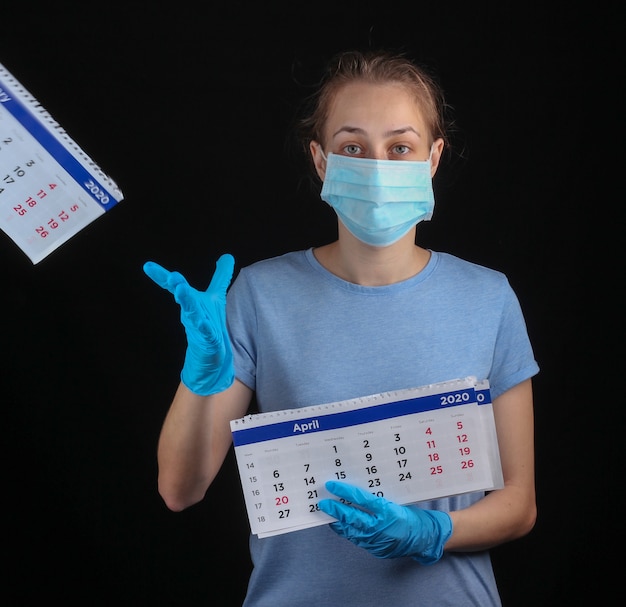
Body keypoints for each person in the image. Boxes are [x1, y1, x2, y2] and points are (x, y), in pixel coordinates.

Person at [143, 49, 539, 606]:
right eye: (352, 147)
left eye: (400, 147)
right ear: (321, 160)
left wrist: (433, 533)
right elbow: (179, 491)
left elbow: (519, 504)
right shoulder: (259, 295)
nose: (376, 165)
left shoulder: (488, 297)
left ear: (433, 159)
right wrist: (198, 382)